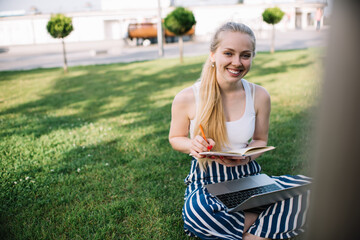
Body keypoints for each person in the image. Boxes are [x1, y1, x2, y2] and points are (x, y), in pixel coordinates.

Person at [168, 22, 311, 240]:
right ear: (213, 55)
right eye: (228, 53)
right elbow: (175, 138)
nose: (237, 62)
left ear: (252, 57)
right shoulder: (186, 97)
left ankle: (243, 230)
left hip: (248, 175)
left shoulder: (260, 95)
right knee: (198, 213)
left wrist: (249, 156)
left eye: (245, 55)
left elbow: (260, 139)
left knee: (312, 189)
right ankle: (263, 225)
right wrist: (192, 144)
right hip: (207, 179)